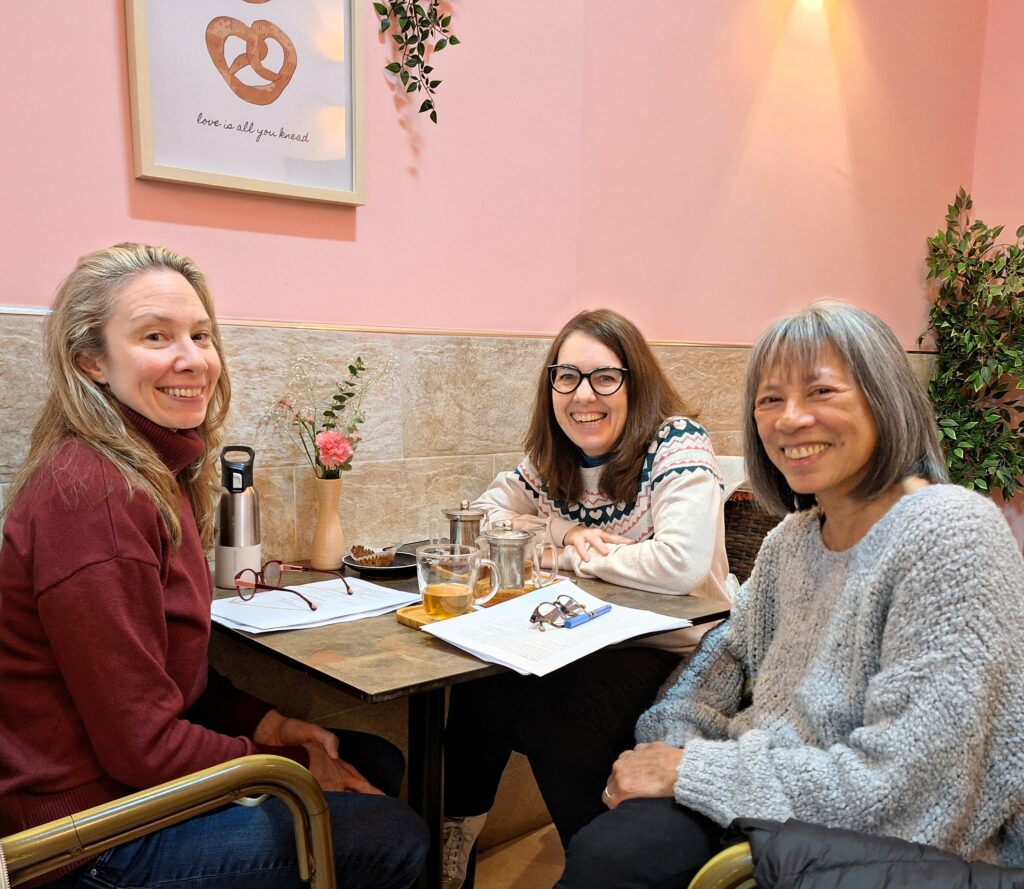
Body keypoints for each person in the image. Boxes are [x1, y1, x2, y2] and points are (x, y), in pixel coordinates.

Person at [0, 244, 428, 889]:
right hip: (84, 836)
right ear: (91, 360)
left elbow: (169, 678)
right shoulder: (95, 500)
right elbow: (141, 746)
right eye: (155, 336)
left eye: (201, 335)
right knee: (394, 837)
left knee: (372, 758)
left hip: (121, 785)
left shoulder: (145, 469)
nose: (193, 359)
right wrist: (286, 762)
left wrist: (271, 724)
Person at [556, 301, 1024, 889]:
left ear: (885, 400)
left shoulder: (949, 531)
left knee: (614, 860)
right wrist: (670, 745)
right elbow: (718, 660)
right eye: (770, 400)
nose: (789, 420)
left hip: (888, 849)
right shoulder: (792, 541)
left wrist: (692, 770)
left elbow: (914, 791)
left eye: (821, 392)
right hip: (771, 793)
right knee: (602, 825)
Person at [442, 309, 737, 887]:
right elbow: (477, 520)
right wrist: (562, 532)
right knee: (480, 682)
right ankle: (454, 850)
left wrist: (571, 556)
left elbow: (680, 564)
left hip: (679, 644)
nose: (584, 396)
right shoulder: (554, 458)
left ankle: (595, 865)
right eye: (567, 376)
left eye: (605, 377)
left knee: (554, 699)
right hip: (589, 633)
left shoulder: (675, 444)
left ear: (635, 382)